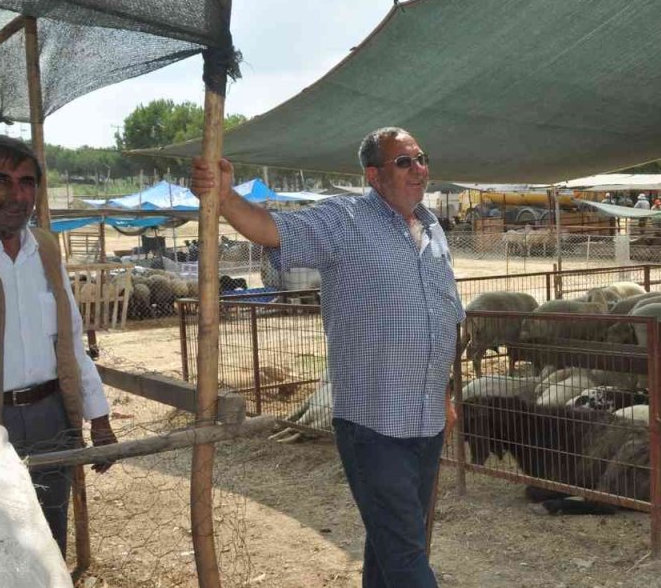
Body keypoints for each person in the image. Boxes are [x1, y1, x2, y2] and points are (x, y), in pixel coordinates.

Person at [190, 127, 463, 588]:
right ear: (373, 175)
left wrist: (445, 394)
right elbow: (271, 229)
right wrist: (225, 196)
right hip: (375, 424)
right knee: (407, 557)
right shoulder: (345, 219)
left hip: (427, 422)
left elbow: (444, 312)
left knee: (394, 542)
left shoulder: (432, 227)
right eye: (404, 162)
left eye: (421, 159)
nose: (419, 169)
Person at [0, 135, 117, 554]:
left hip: (51, 417)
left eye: (27, 182)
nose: (16, 195)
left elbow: (70, 340)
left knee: (50, 530)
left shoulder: (45, 250)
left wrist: (99, 418)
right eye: (1, 180)